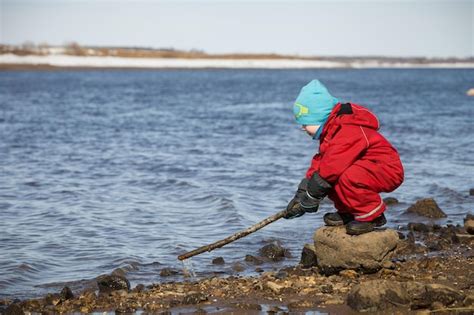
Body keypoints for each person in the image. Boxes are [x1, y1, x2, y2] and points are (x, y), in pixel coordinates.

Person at [284, 79, 404, 235]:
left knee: (345, 176)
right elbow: (322, 162)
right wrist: (303, 192)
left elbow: (332, 166)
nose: (302, 127)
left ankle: (372, 216)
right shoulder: (331, 131)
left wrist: (313, 194)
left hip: (386, 169)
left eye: (305, 123)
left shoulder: (348, 129)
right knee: (330, 178)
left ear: (319, 117)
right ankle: (348, 212)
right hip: (364, 167)